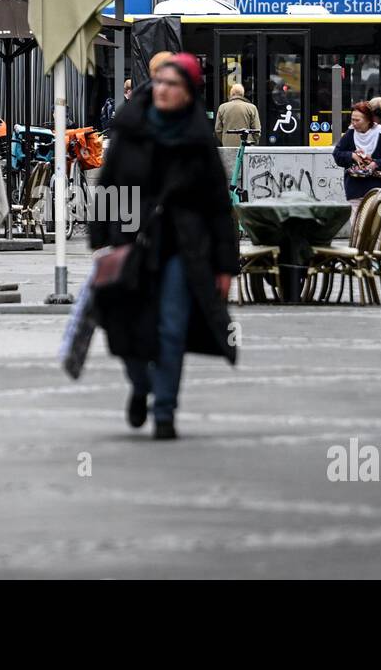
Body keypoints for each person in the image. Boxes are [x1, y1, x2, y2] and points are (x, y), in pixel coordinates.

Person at [88, 52, 237, 441]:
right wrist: (102, 241)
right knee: (125, 325)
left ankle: (165, 410)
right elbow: (110, 184)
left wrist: (225, 265)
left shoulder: (198, 138)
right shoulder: (132, 128)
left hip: (182, 247)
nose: (163, 90)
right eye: (160, 83)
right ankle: (141, 385)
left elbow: (218, 205)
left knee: (171, 328)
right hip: (132, 241)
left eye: (173, 85)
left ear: (188, 93)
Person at [333, 100, 381, 212]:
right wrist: (352, 155)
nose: (353, 123)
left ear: (369, 120)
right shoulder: (350, 133)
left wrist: (376, 163)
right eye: (352, 119)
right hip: (356, 189)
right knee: (357, 226)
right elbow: (337, 154)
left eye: (357, 120)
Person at [214, 83, 261, 147]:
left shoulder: (222, 108)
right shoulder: (252, 108)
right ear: (242, 94)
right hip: (246, 146)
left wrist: (225, 140)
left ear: (231, 94)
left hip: (228, 145)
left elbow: (218, 130)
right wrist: (254, 143)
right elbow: (256, 129)